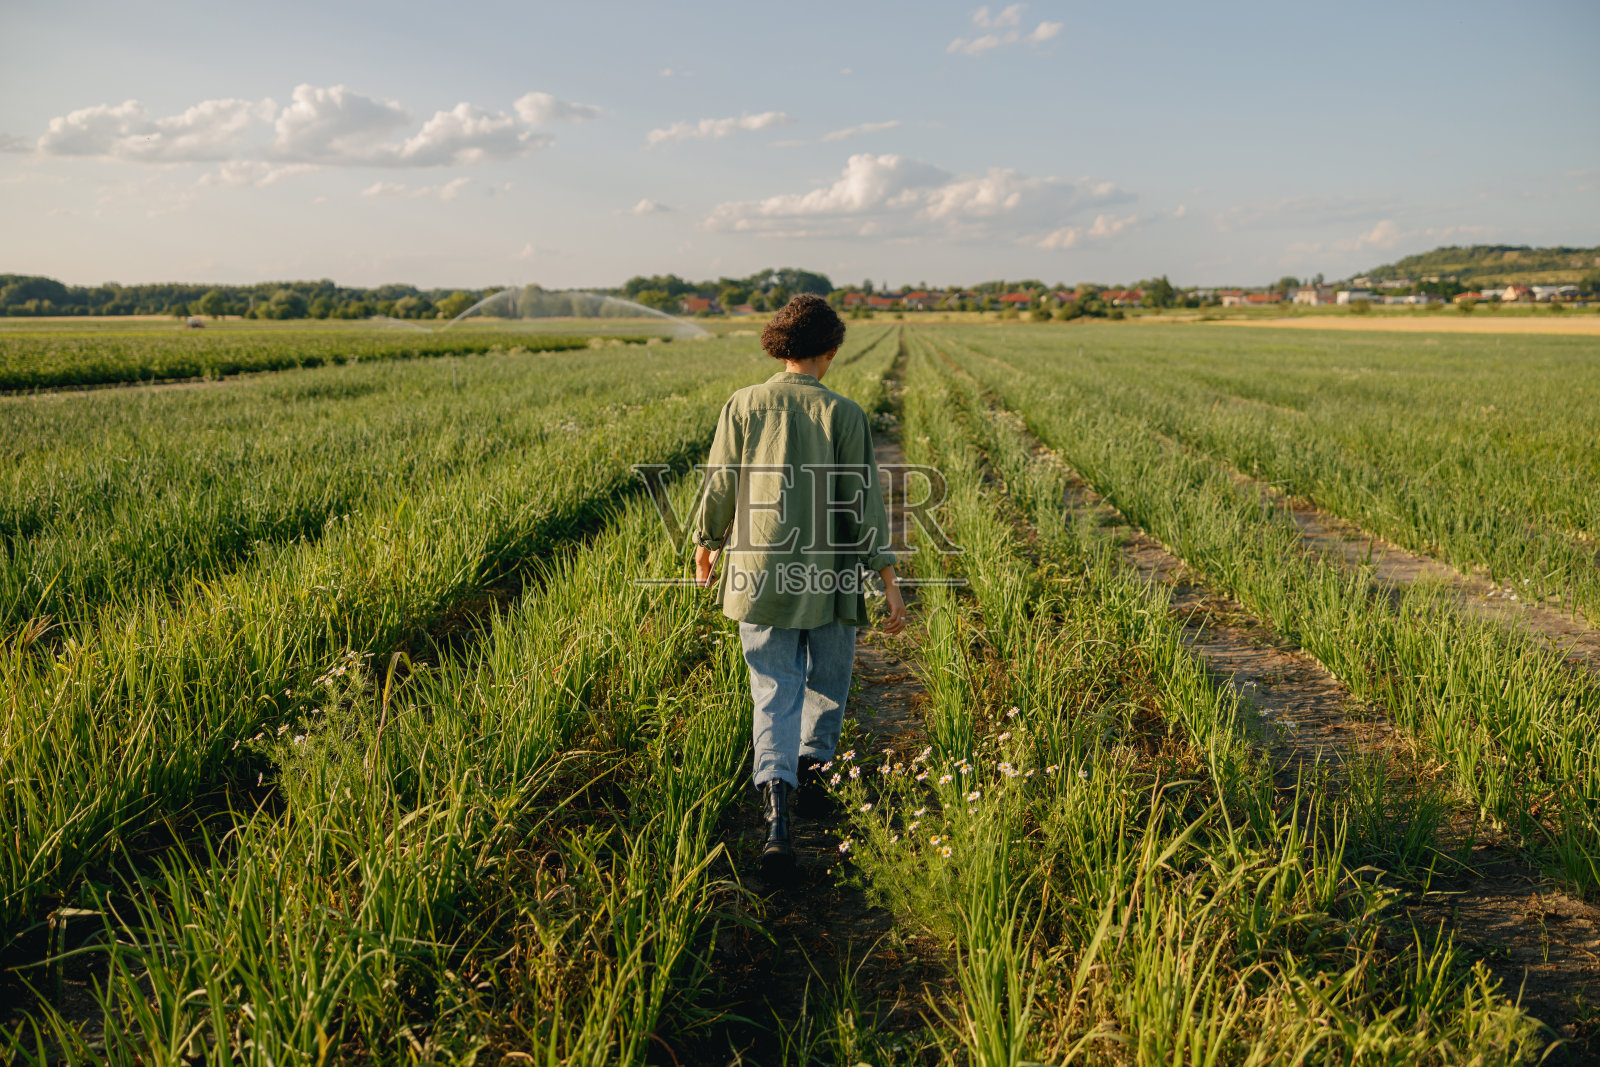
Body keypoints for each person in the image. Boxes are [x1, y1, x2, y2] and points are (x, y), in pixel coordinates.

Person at [693, 294, 907, 881]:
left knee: (772, 688)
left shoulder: (742, 405)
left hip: (759, 575)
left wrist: (707, 546)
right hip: (832, 574)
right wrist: (889, 580)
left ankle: (777, 816)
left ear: (780, 346)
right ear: (830, 350)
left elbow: (719, 485)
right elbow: (863, 504)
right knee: (828, 680)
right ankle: (816, 779)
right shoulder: (845, 415)